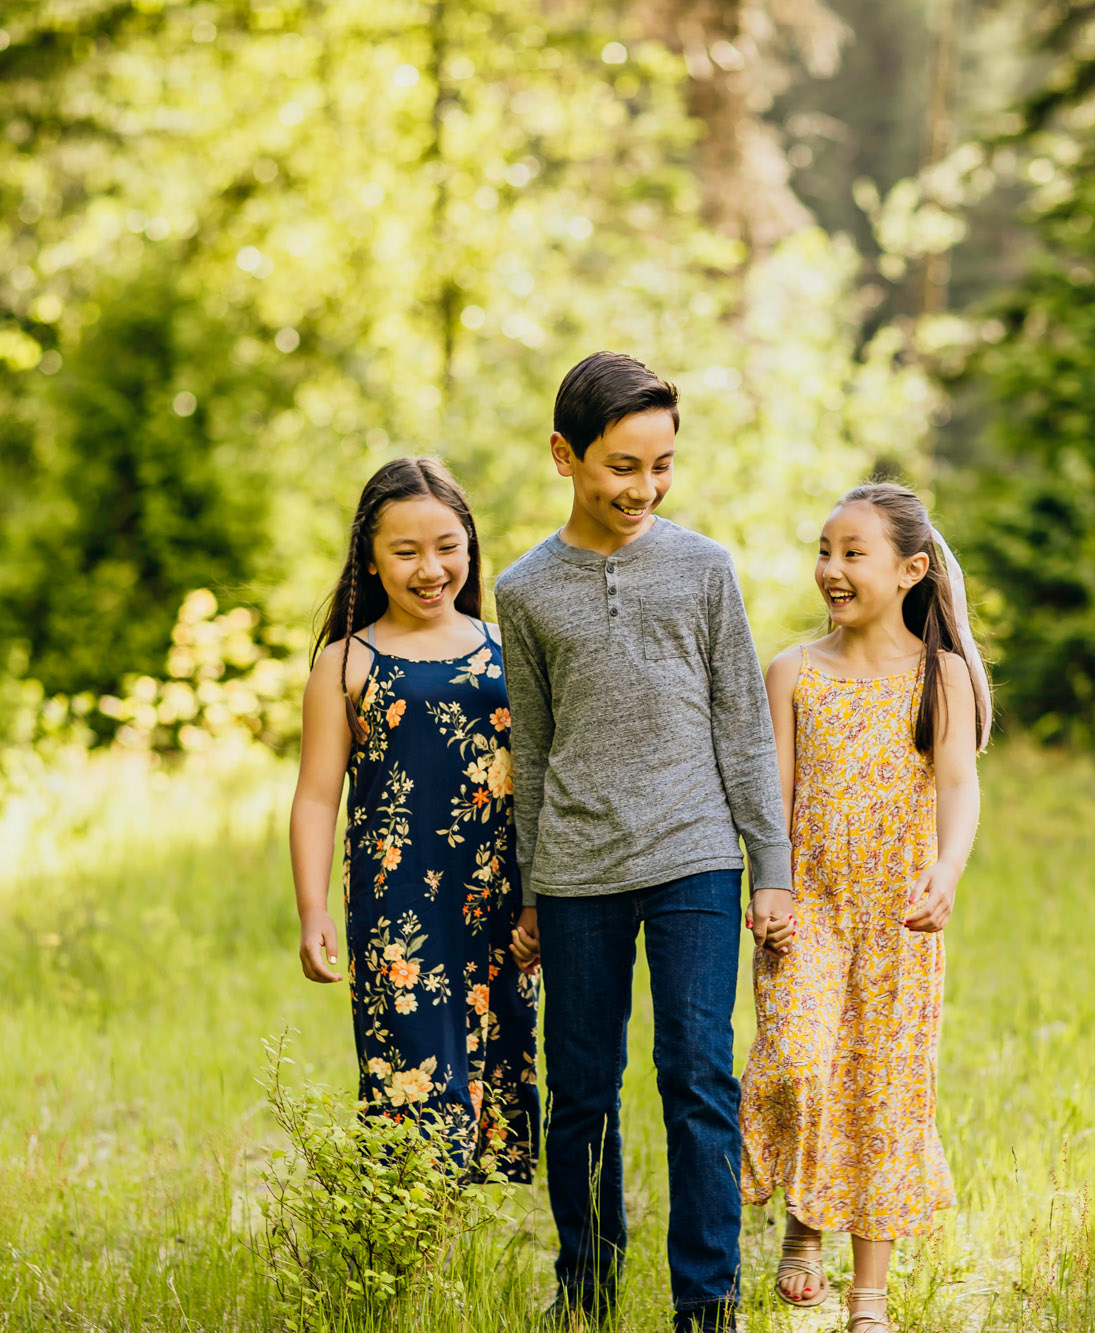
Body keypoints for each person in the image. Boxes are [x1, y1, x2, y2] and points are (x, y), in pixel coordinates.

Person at [497, 351, 792, 1333]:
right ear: (563, 456)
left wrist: (771, 872)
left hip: (694, 855)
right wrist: (533, 888)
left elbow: (744, 724)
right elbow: (533, 746)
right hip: (578, 867)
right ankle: (583, 1292)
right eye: (621, 465)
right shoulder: (525, 589)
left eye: (660, 463)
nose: (643, 486)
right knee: (579, 1090)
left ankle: (706, 1305)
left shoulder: (705, 569)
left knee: (695, 1072)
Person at [739, 482, 992, 1333]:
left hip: (899, 914)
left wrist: (947, 869)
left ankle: (868, 1296)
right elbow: (772, 796)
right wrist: (765, 882)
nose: (831, 569)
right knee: (800, 1062)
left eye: (853, 553)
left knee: (884, 1090)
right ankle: (804, 1220)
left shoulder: (940, 674)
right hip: (809, 903)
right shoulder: (793, 670)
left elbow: (958, 782)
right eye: (825, 550)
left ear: (911, 570)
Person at [286, 456, 537, 1181]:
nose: (431, 568)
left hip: (497, 906)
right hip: (400, 915)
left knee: (489, 1077)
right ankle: (406, 1259)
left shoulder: (505, 651)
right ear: (370, 556)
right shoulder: (347, 664)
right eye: (406, 551)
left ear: (470, 544)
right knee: (415, 1089)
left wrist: (536, 902)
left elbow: (544, 782)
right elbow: (313, 796)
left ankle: (440, 1260)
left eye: (447, 546)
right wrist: (312, 910)